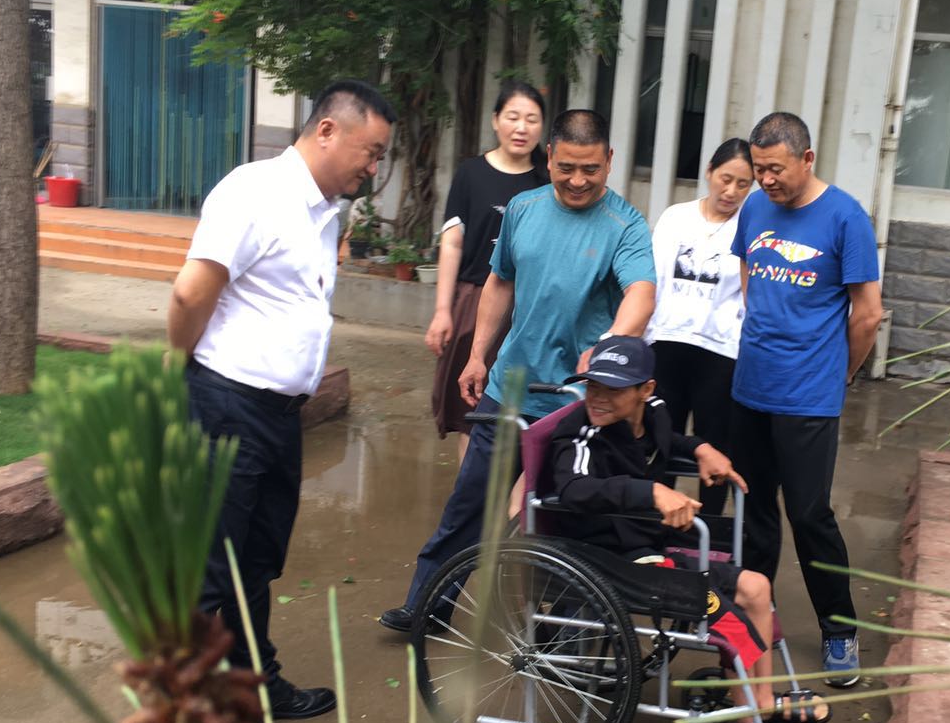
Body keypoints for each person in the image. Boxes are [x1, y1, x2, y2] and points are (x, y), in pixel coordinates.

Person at [378, 109, 657, 631]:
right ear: (549, 157)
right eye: (567, 167)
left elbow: (641, 293)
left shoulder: (627, 225)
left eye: (591, 169)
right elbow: (500, 282)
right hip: (510, 388)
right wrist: (477, 354)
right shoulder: (524, 209)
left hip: (580, 404)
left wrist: (608, 346)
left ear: (610, 161)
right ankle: (429, 605)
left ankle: (564, 634)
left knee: (571, 521)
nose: (578, 180)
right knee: (469, 505)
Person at [169, 78, 395, 719]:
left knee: (256, 561)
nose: (373, 168)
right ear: (327, 130)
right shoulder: (255, 192)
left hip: (276, 417)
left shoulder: (322, 213)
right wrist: (177, 367)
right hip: (226, 406)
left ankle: (254, 686)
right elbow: (190, 292)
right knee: (209, 571)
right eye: (371, 152)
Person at [547, 336, 830, 723]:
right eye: (593, 386)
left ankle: (761, 705)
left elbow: (669, 440)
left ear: (646, 390)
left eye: (613, 388)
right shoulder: (581, 433)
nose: (598, 398)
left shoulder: (655, 412)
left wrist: (701, 448)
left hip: (650, 544)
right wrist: (650, 492)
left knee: (757, 586)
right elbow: (573, 488)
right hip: (614, 559)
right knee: (728, 616)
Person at [730, 111, 884, 689]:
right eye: (759, 168)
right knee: (754, 512)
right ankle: (754, 620)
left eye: (776, 168)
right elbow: (749, 275)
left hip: (808, 395)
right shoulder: (755, 208)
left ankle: (839, 630)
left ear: (807, 159)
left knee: (809, 514)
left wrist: (839, 375)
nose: (766, 179)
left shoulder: (846, 217)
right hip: (751, 386)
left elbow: (867, 314)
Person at [424, 81, 550, 461]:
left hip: (527, 309)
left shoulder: (546, 181)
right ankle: (471, 492)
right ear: (496, 120)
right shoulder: (471, 174)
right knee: (471, 409)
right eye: (513, 117)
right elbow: (453, 243)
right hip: (474, 300)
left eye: (532, 119)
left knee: (520, 412)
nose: (521, 127)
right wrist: (443, 310)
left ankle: (512, 496)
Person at [644, 138, 753, 515]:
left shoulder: (749, 228)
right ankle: (657, 524)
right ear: (709, 172)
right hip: (666, 345)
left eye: (743, 184)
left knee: (716, 446)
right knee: (661, 438)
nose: (731, 191)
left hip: (720, 353)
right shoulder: (676, 217)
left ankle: (711, 532)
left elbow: (747, 295)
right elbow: (654, 278)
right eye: (725, 179)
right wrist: (644, 338)